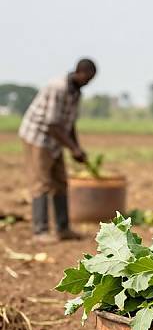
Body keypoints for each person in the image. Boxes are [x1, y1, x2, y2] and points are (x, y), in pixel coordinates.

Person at [19, 58, 97, 243]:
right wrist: (72, 148)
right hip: (38, 137)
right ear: (80, 72)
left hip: (55, 141)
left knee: (61, 181)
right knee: (41, 183)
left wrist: (76, 148)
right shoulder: (58, 88)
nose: (89, 82)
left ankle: (63, 229)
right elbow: (52, 125)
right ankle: (40, 231)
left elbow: (69, 124)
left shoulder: (76, 92)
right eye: (88, 78)